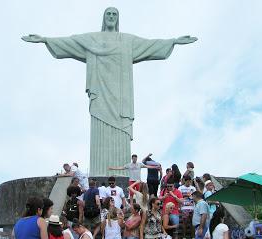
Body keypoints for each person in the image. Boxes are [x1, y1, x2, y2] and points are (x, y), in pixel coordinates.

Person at [22, 7, 197, 177]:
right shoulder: (93, 39)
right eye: (108, 14)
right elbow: (70, 42)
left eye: (114, 14)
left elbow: (150, 45)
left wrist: (172, 41)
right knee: (99, 127)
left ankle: (119, 175)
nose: (111, 16)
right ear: (104, 18)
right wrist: (45, 39)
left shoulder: (127, 40)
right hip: (100, 94)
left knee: (120, 130)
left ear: (118, 18)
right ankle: (100, 173)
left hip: (121, 98)